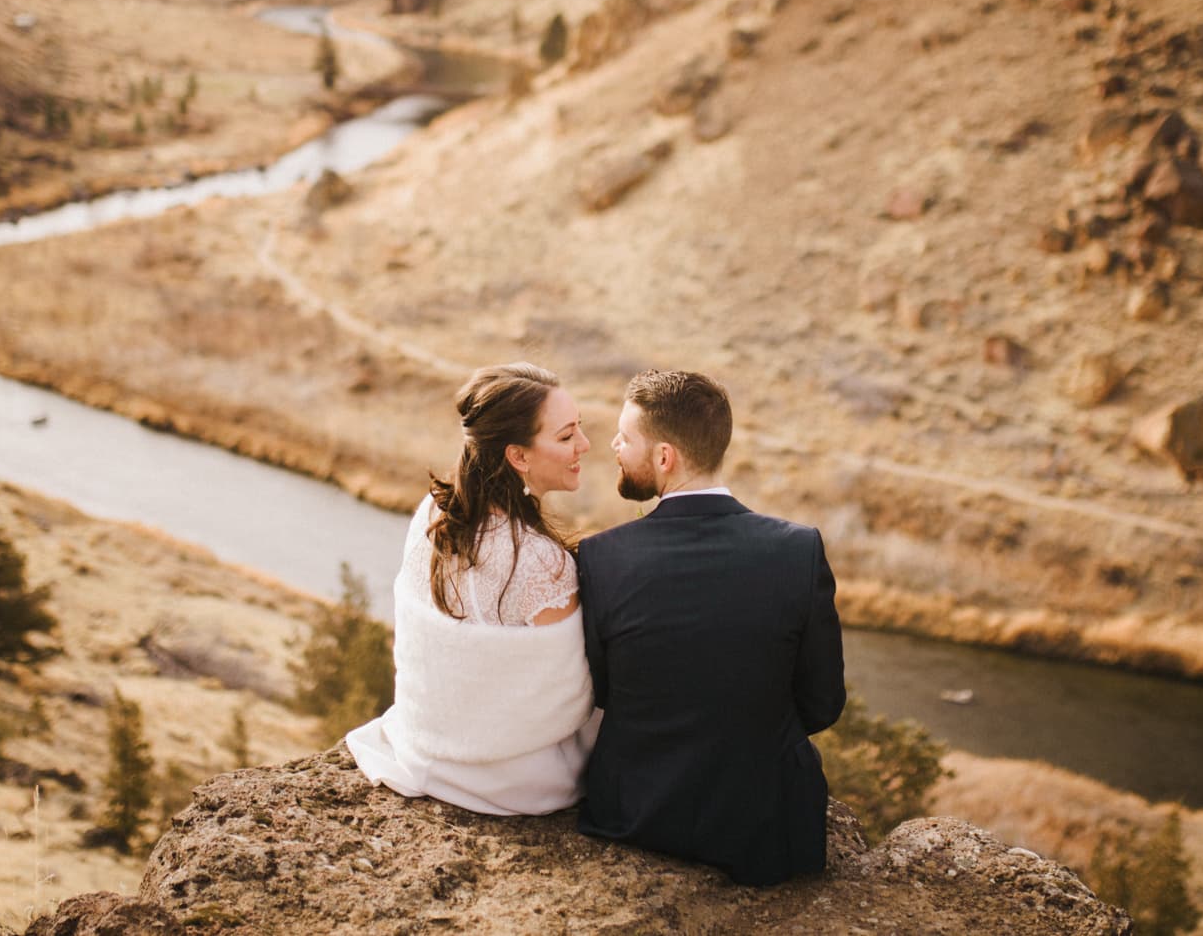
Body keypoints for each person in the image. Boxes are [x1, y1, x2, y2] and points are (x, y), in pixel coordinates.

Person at [576, 368, 846, 886]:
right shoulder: (798, 549)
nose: (612, 445)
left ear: (663, 457)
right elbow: (822, 703)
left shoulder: (601, 558)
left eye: (625, 437)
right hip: (766, 827)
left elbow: (604, 691)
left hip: (635, 814)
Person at [345, 362, 601, 814]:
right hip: (511, 779)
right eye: (565, 437)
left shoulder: (434, 513)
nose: (584, 445)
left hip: (424, 746)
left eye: (579, 428)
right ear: (517, 456)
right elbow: (565, 698)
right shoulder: (543, 562)